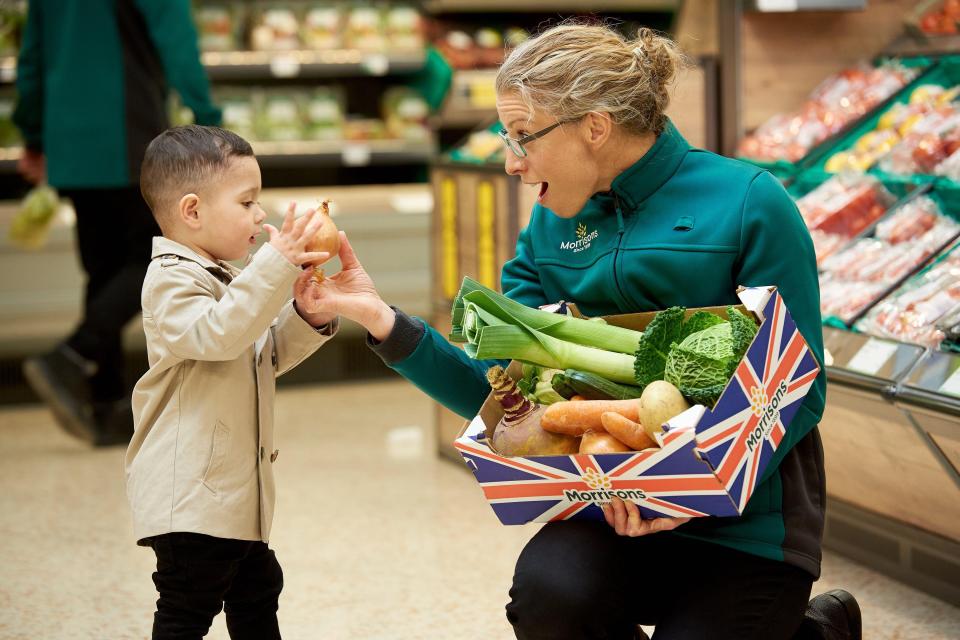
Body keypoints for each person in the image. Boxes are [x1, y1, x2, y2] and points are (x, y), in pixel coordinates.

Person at [300, 24, 863, 640]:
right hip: (607, 503)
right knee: (549, 599)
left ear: (594, 126)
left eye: (522, 137)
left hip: (746, 521)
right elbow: (501, 401)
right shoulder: (548, 229)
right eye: (504, 138)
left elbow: (800, 390)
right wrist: (381, 319)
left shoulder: (749, 201)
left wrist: (690, 488)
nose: (511, 162)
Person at [125, 125, 339, 639]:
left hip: (230, 496)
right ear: (192, 211)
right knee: (187, 608)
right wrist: (274, 265)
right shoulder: (172, 278)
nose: (260, 215)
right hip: (190, 498)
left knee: (259, 590)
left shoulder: (222, 277)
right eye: (247, 202)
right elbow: (216, 337)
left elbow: (257, 356)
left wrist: (303, 317)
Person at [13, 0, 222, 446]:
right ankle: (74, 354)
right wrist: (210, 121)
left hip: (71, 145)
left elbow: (31, 58)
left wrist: (33, 134)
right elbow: (178, 44)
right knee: (153, 259)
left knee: (103, 270)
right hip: (131, 138)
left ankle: (106, 406)